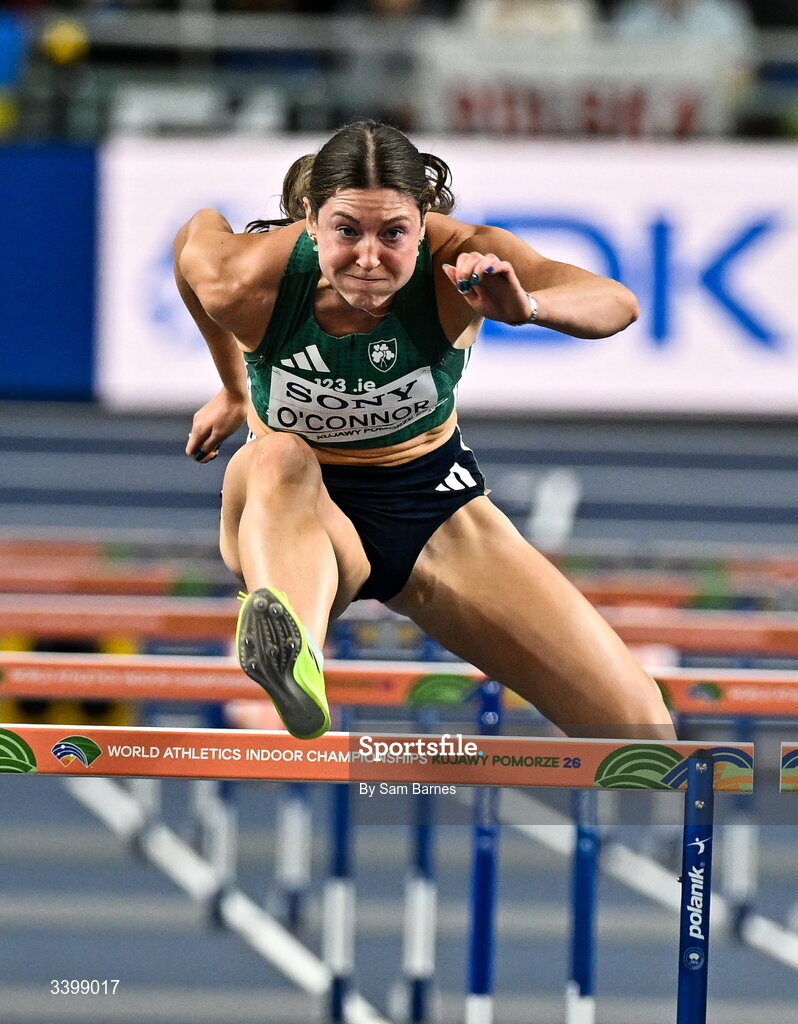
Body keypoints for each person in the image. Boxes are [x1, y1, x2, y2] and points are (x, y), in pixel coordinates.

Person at [174, 119, 675, 742]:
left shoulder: (458, 260)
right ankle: (296, 655)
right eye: (346, 231)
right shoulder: (246, 279)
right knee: (278, 458)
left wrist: (529, 309)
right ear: (309, 218)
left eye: (393, 235)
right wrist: (232, 387)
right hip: (298, 516)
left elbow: (616, 302)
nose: (368, 258)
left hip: (434, 508)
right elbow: (192, 243)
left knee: (643, 732)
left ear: (424, 222)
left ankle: (293, 641)